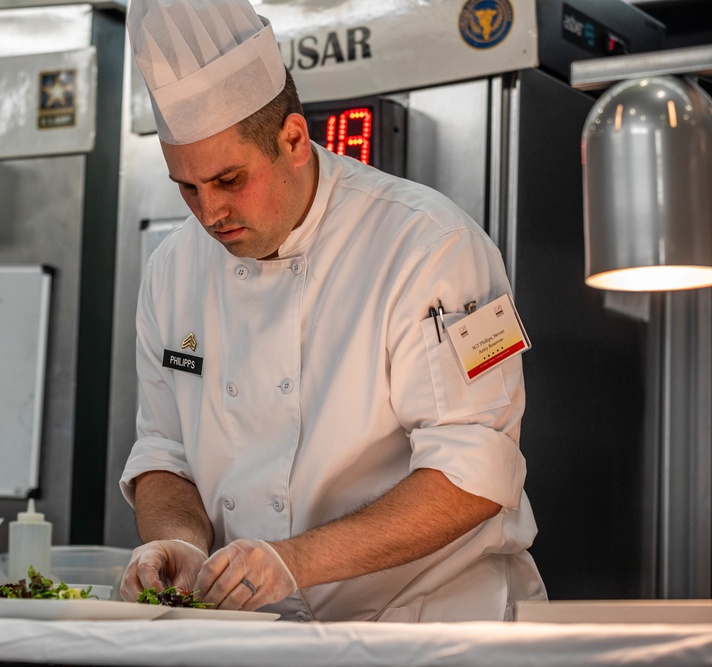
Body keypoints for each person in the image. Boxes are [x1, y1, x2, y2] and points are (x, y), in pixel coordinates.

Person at [118, 0, 547, 623]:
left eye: (230, 179)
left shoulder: (434, 245)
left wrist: (294, 559)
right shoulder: (171, 270)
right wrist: (180, 542)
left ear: (293, 139)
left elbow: (475, 472)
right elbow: (163, 451)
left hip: (430, 632)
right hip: (257, 638)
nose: (209, 213)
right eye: (187, 187)